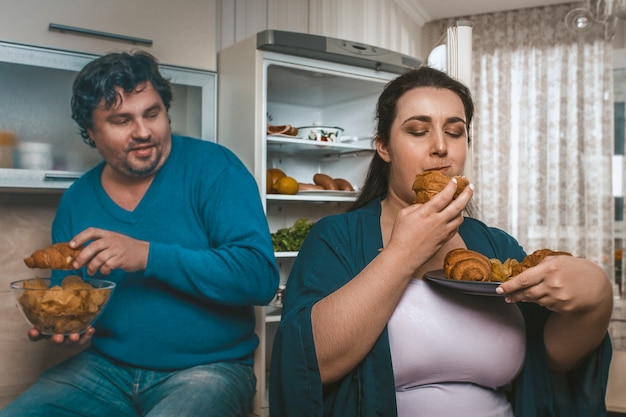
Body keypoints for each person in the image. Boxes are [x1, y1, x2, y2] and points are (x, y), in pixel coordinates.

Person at [269, 66, 613, 417]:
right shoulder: (335, 238)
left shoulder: (496, 247)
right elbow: (311, 364)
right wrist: (403, 254)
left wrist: (597, 299)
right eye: (418, 131)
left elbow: (548, 361)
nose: (440, 147)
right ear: (384, 147)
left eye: (455, 132)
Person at [1, 50, 279, 417]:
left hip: (208, 370)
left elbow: (259, 278)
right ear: (91, 132)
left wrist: (146, 255)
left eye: (152, 113)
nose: (144, 131)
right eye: (121, 120)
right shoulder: (77, 199)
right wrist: (71, 331)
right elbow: (70, 296)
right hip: (103, 369)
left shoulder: (215, 168)